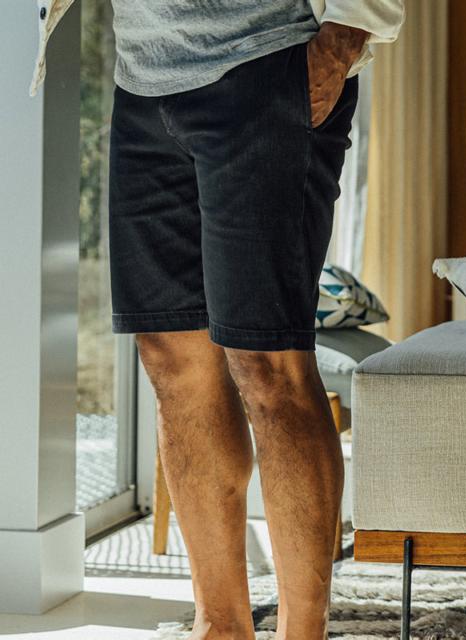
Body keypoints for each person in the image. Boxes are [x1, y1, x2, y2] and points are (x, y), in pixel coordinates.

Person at [32, 2, 405, 638]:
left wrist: (345, 35)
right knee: (171, 362)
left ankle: (302, 633)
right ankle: (220, 626)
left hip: (266, 61)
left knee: (269, 364)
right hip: (143, 79)